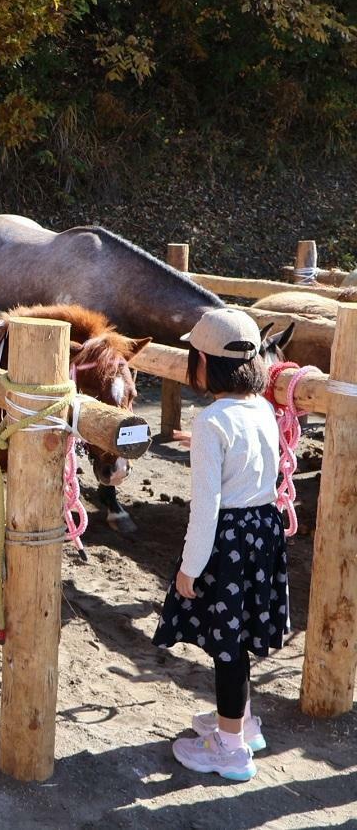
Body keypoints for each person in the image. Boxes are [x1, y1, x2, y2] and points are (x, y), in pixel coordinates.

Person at [152, 307, 287, 782]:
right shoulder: (264, 409)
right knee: (242, 632)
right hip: (263, 531)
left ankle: (229, 749)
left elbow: (206, 507)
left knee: (227, 645)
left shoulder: (211, 422)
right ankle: (241, 723)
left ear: (204, 364)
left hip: (226, 538)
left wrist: (189, 568)